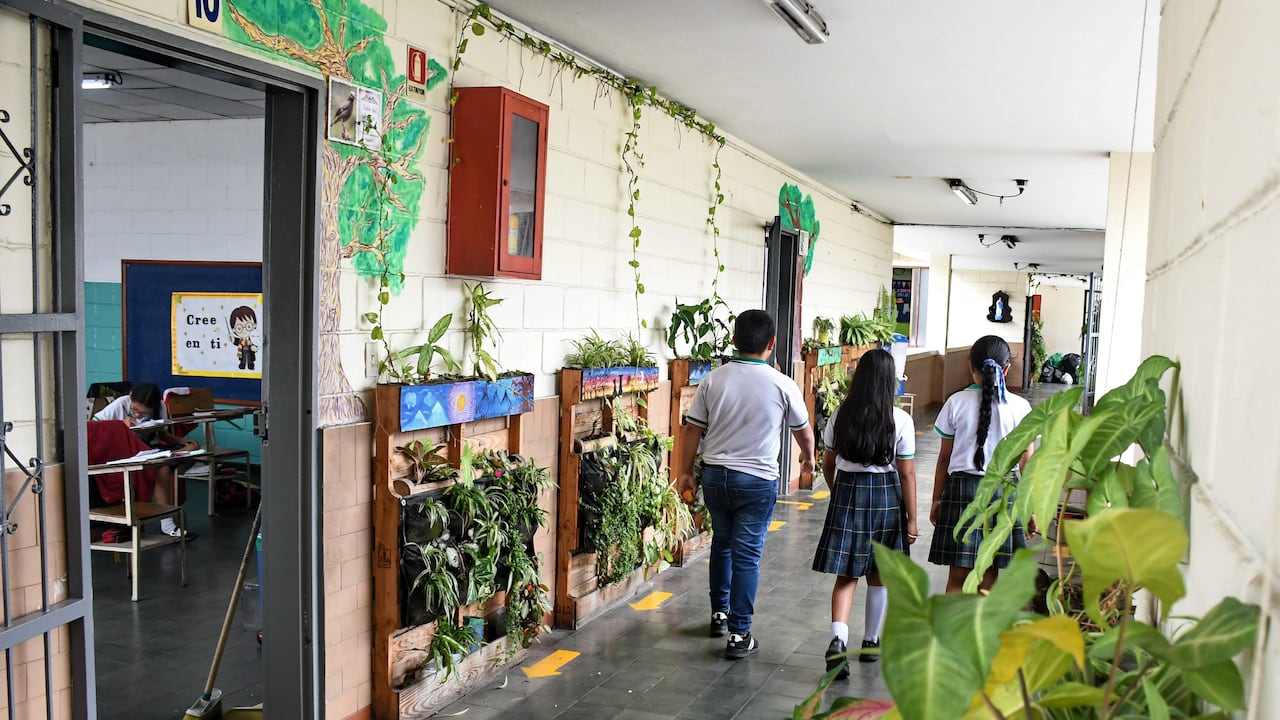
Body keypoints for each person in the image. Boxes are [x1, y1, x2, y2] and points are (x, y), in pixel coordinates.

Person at [676, 310, 815, 659]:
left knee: (722, 542)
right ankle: (739, 633)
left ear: (734, 341)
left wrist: (685, 471)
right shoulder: (783, 383)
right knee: (747, 555)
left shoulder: (713, 380)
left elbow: (693, 429)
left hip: (717, 476)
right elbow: (803, 430)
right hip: (756, 480)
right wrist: (809, 459)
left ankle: (719, 613)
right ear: (771, 344)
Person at [812, 349, 916, 678]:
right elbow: (907, 473)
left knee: (847, 575)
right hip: (886, 496)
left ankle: (838, 641)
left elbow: (827, 464)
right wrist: (911, 517)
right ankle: (871, 642)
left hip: (848, 493)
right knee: (880, 574)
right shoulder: (900, 420)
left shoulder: (841, 414)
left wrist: (838, 490)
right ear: (889, 381)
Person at [928, 336, 1033, 593]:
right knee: (989, 574)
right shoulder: (1020, 408)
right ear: (1007, 369)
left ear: (970, 366)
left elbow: (944, 458)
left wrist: (936, 499)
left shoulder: (955, 403)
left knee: (957, 577)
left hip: (961, 492)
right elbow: (1027, 462)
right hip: (1003, 491)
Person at [92, 382, 199, 540]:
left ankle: (167, 518)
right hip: (123, 450)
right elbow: (93, 426)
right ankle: (167, 525)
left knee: (186, 453)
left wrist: (182, 441)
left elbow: (162, 434)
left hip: (147, 448)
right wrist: (119, 424)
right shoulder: (121, 404)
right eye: (135, 410)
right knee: (162, 468)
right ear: (130, 397)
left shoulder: (160, 407)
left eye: (143, 413)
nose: (137, 415)